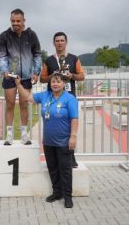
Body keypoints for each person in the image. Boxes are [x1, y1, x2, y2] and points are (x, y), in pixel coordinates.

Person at [15, 73, 79, 208]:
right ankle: (57, 193)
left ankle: (68, 196)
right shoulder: (45, 96)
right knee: (53, 168)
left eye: (58, 82)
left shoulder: (70, 98)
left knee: (65, 169)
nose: (55, 84)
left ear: (64, 84)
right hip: (48, 141)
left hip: (64, 141)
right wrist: (18, 84)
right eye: (53, 81)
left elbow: (74, 119)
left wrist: (73, 136)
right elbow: (28, 97)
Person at [40, 31, 85, 168]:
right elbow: (42, 78)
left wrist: (71, 75)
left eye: (62, 40)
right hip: (52, 98)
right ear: (54, 43)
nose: (59, 43)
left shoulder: (73, 58)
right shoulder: (49, 60)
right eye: (57, 41)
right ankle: (55, 158)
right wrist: (52, 75)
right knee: (56, 128)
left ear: (66, 42)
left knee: (70, 128)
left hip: (69, 97)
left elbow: (82, 76)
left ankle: (71, 157)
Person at [0, 8, 42, 145]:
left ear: (24, 21)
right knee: (10, 104)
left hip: (26, 78)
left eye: (18, 21)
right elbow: (2, 55)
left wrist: (36, 72)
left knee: (24, 105)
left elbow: (37, 54)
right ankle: (9, 134)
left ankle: (24, 133)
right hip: (10, 76)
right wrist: (4, 69)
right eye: (13, 21)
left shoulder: (32, 35)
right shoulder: (4, 36)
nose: (15, 23)